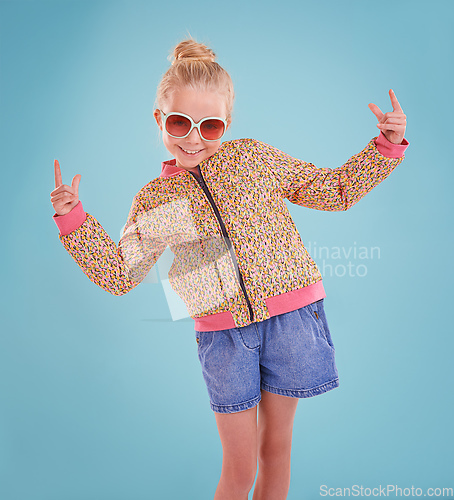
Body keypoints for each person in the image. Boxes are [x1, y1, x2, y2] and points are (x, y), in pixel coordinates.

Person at [50, 38, 409, 500]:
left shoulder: (252, 159)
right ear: (159, 119)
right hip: (224, 338)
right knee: (238, 470)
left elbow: (334, 191)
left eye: (210, 126)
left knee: (276, 452)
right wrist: (74, 219)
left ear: (228, 125)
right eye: (179, 122)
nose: (193, 138)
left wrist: (386, 145)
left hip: (290, 319)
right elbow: (120, 273)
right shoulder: (155, 199)